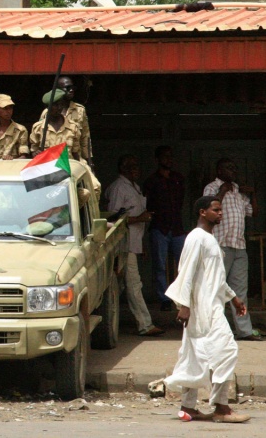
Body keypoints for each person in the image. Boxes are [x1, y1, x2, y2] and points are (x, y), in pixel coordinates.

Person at [162, 196, 250, 424]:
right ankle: (221, 408)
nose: (220, 213)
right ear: (203, 212)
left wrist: (234, 299)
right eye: (216, 209)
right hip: (202, 310)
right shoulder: (196, 238)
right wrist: (184, 305)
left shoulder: (210, 239)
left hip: (211, 306)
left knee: (196, 357)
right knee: (227, 350)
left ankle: (188, 408)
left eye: (221, 210)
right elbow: (186, 272)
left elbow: (216, 277)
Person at [105, 155, 164, 336]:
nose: (135, 169)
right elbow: (112, 219)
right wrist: (139, 218)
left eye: (136, 165)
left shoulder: (135, 187)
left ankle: (108, 321)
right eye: (131, 166)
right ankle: (145, 325)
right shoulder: (118, 188)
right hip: (123, 245)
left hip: (133, 244)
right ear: (122, 168)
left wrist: (142, 244)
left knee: (121, 285)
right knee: (133, 284)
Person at [203, 158, 261, 341]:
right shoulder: (212, 187)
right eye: (229, 168)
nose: (233, 171)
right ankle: (214, 331)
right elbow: (207, 210)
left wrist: (253, 194)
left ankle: (244, 331)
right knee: (215, 289)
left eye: (235, 168)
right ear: (219, 169)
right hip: (219, 245)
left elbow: (253, 212)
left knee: (239, 290)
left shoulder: (238, 190)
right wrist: (222, 191)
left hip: (239, 246)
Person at [143, 146, 186, 311]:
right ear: (157, 159)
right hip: (159, 227)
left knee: (183, 264)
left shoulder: (178, 178)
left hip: (177, 227)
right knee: (160, 265)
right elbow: (147, 204)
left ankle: (182, 297)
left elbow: (180, 202)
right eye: (165, 157)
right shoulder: (151, 181)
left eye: (170, 156)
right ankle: (164, 298)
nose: (168, 159)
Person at [38, 76, 93, 164]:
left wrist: (89, 162)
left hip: (74, 160)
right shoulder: (46, 113)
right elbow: (38, 136)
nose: (71, 90)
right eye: (67, 88)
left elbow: (85, 138)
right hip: (51, 161)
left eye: (72, 88)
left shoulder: (80, 110)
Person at [29, 90, 81, 159]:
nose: (59, 107)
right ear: (48, 107)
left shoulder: (73, 127)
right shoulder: (38, 128)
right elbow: (33, 150)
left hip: (67, 167)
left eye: (61, 104)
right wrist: (35, 153)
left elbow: (75, 153)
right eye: (56, 105)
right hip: (47, 167)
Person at [0, 94, 29, 160]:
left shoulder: (20, 130)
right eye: (5, 108)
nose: (9, 111)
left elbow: (24, 156)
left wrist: (12, 160)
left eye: (11, 108)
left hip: (9, 168)